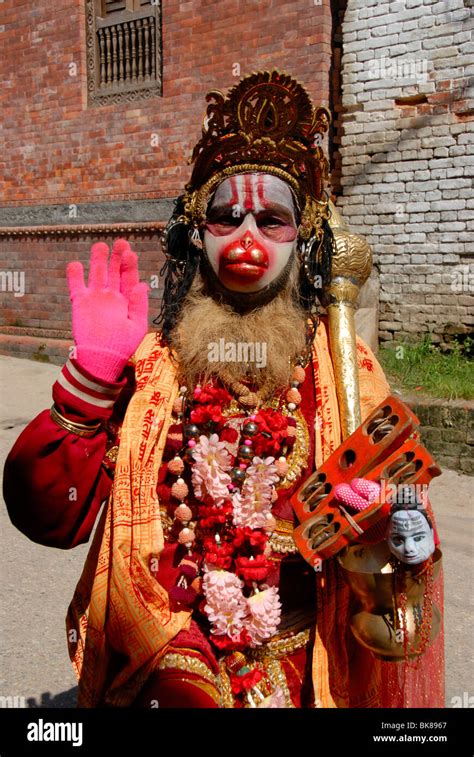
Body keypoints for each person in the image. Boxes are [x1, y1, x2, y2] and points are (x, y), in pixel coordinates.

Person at [3, 70, 444, 708]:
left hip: (301, 670)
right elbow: (48, 517)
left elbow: (398, 623)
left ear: (306, 239)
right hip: (171, 648)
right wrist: (90, 384)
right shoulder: (155, 365)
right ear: (196, 228)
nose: (246, 239)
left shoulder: (344, 370)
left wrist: (387, 531)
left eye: (272, 220)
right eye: (226, 216)